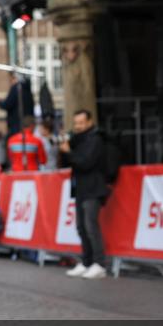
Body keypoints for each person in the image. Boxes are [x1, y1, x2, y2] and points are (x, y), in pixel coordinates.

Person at [60, 110, 110, 280]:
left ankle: (99, 263)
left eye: (81, 123)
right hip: (80, 188)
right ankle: (87, 261)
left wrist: (69, 152)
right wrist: (65, 150)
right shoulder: (77, 140)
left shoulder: (95, 139)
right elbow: (69, 161)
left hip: (93, 188)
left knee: (91, 226)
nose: (78, 127)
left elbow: (85, 162)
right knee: (81, 226)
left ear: (89, 122)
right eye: (76, 123)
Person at [0, 72, 35, 139]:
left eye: (11, 79)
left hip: (16, 124)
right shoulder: (27, 89)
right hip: (26, 124)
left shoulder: (16, 88)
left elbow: (8, 104)